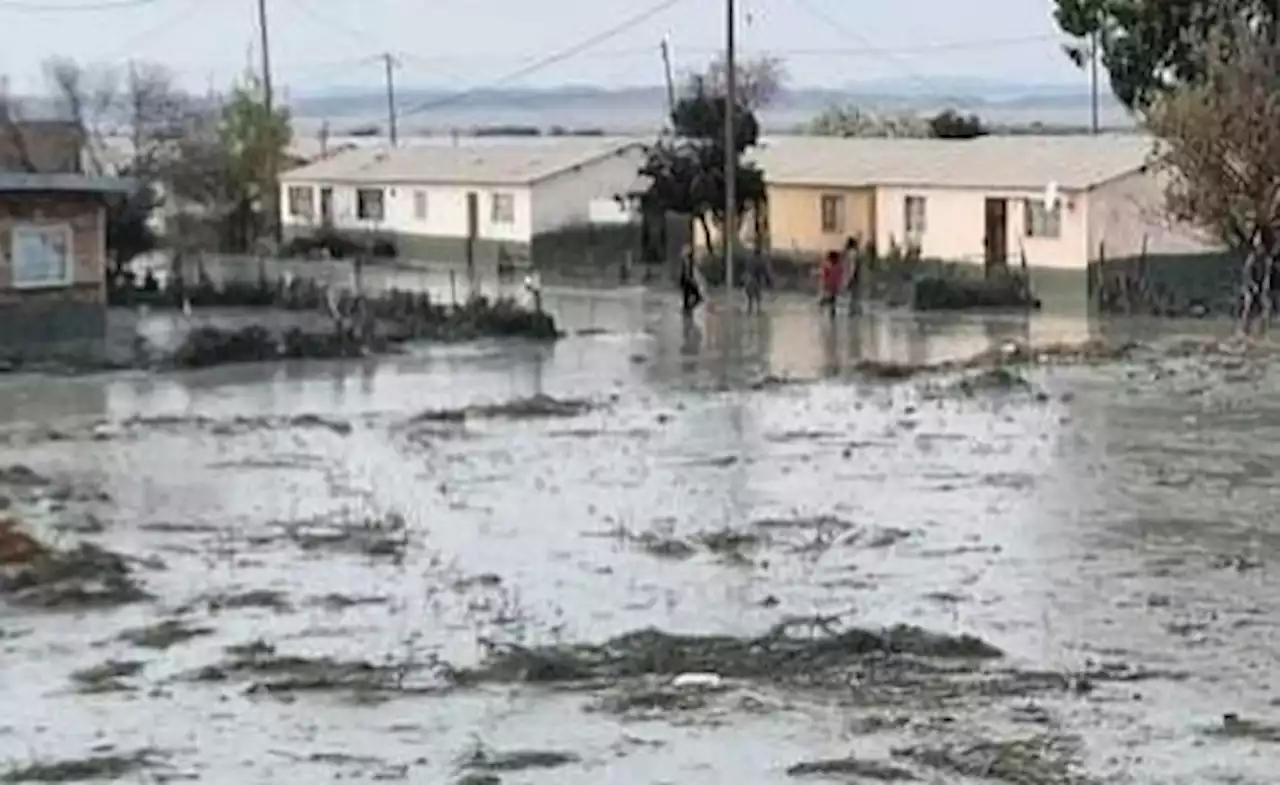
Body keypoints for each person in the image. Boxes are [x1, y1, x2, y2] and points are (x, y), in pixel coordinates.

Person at [679, 246, 704, 315]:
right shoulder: (687, 260)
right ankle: (687, 310)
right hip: (687, 281)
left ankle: (688, 309)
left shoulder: (689, 260)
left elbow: (693, 269)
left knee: (689, 297)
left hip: (687, 281)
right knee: (694, 296)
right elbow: (687, 272)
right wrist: (691, 280)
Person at [819, 249, 843, 318]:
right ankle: (824, 306)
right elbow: (824, 275)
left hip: (834, 285)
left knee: (833, 300)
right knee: (830, 299)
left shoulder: (838, 266)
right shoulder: (828, 266)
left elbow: (840, 276)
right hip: (830, 285)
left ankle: (832, 313)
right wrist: (825, 283)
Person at [844, 236, 862, 315]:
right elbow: (853, 265)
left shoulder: (850, 253)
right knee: (855, 293)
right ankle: (855, 309)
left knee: (852, 294)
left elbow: (851, 266)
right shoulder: (854, 253)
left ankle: (854, 309)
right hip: (855, 275)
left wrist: (849, 277)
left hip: (852, 275)